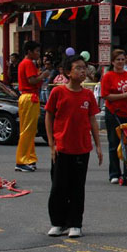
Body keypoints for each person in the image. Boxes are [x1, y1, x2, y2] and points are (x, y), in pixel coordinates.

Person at [45, 55, 102, 239]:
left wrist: (98, 146)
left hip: (82, 148)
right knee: (58, 187)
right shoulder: (58, 92)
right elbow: (49, 116)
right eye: (78, 68)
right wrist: (52, 144)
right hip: (61, 148)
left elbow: (92, 121)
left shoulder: (88, 95)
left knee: (77, 188)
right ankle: (58, 223)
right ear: (68, 72)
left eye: (84, 67)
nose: (82, 71)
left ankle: (75, 224)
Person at [101, 49, 127, 185]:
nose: (120, 62)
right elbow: (106, 95)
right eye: (118, 59)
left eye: (122, 59)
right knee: (114, 143)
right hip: (114, 113)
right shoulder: (108, 76)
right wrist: (124, 95)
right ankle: (114, 173)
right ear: (113, 62)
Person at [15, 41, 51, 172]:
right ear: (29, 52)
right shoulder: (28, 63)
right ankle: (22, 160)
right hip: (29, 97)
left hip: (28, 97)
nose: (38, 53)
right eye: (36, 51)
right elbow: (32, 81)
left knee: (29, 130)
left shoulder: (26, 63)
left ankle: (29, 158)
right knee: (27, 130)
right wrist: (43, 76)